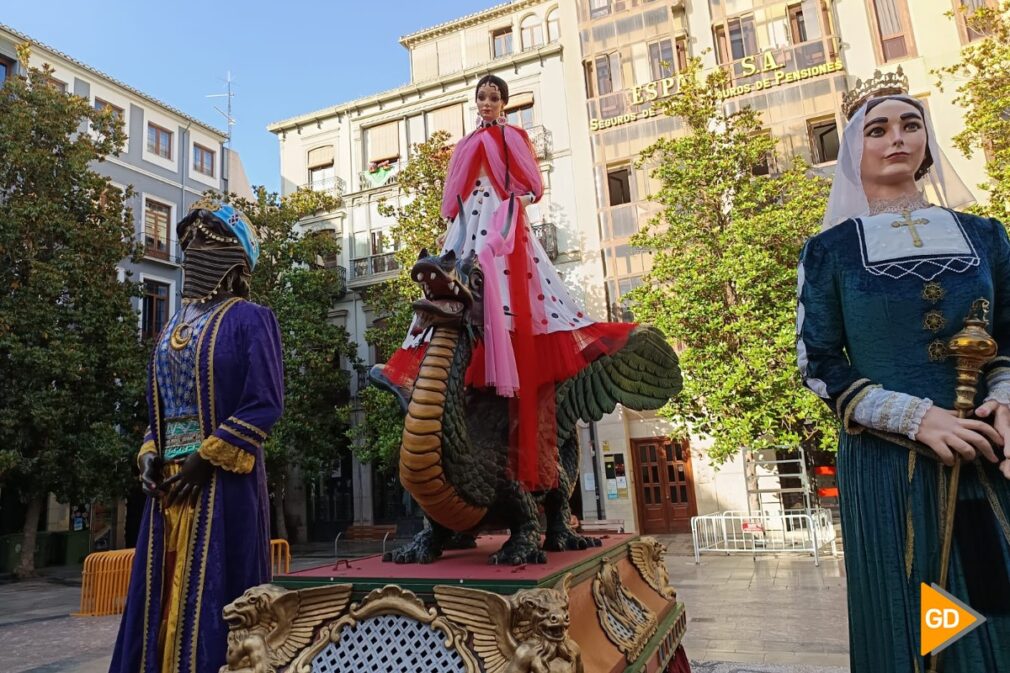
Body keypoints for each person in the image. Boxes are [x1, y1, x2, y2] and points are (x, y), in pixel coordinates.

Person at [797, 68, 1010, 672]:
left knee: (996, 599)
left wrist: (1006, 396)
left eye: (911, 125)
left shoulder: (986, 236)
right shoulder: (831, 250)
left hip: (990, 455)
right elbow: (818, 362)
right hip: (893, 463)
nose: (897, 138)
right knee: (924, 611)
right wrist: (917, 418)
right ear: (853, 151)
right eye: (878, 129)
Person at [372, 74, 634, 492]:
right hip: (466, 221)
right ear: (475, 102)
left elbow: (532, 188)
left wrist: (512, 207)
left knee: (499, 288)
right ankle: (415, 365)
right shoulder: (464, 144)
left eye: (494, 97)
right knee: (452, 284)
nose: (487, 103)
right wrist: (451, 228)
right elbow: (453, 196)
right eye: (482, 97)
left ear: (504, 103)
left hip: (499, 219)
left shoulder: (513, 137)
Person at [110, 199, 284, 673]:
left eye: (207, 241)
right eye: (190, 242)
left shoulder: (251, 318)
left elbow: (265, 401)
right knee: (159, 594)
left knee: (213, 594)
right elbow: (162, 410)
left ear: (235, 258)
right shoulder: (169, 328)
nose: (194, 249)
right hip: (168, 484)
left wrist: (206, 458)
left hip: (221, 482)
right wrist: (149, 453)